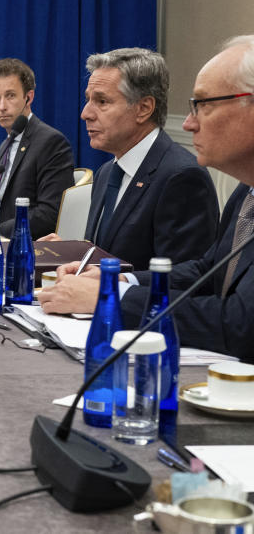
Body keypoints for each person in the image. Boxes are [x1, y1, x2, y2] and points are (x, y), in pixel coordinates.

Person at [39, 36, 254, 361]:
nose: (188, 122)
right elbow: (205, 271)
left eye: (203, 105)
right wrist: (117, 279)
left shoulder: (182, 176)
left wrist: (109, 298)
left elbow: (240, 324)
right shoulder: (245, 192)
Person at [39, 47, 218, 269]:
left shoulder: (182, 177)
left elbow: (182, 282)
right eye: (88, 100)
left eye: (102, 101)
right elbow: (106, 256)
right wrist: (71, 254)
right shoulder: (107, 171)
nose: (86, 113)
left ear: (144, 108)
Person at [0, 58, 74, 238]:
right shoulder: (7, 142)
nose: (2, 107)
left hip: (20, 245)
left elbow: (49, 214)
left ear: (28, 97)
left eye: (10, 96)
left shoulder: (51, 142)